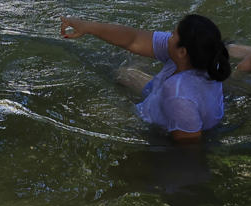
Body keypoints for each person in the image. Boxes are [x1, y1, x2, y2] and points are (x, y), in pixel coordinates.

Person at [61, 13, 232, 141]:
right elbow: (133, 39)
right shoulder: (203, 58)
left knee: (86, 108)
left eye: (173, 35)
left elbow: (188, 147)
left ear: (182, 51)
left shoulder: (179, 95)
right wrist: (87, 27)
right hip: (160, 99)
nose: (169, 37)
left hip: (155, 126)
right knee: (124, 74)